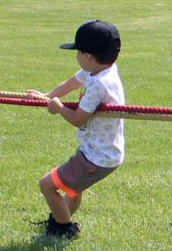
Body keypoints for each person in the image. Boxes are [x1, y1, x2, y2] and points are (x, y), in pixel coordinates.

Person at [30, 19, 124, 239]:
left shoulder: (100, 85)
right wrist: (47, 95)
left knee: (47, 185)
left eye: (78, 52)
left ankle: (63, 228)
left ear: (87, 57)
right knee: (72, 189)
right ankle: (59, 219)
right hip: (100, 153)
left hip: (96, 158)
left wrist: (59, 108)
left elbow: (78, 119)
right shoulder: (101, 70)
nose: (76, 57)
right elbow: (73, 81)